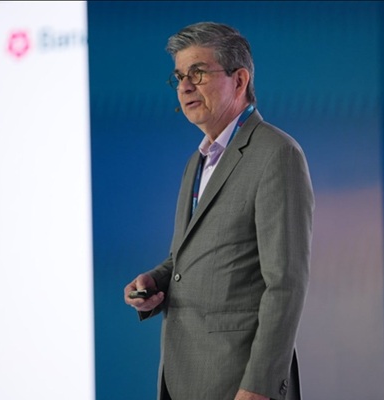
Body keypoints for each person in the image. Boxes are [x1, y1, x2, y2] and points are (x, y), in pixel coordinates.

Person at [124, 22, 314, 400]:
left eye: (197, 73)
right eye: (179, 77)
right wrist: (156, 281)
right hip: (184, 377)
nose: (184, 87)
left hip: (239, 382)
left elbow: (286, 284)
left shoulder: (276, 154)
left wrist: (259, 386)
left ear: (239, 80)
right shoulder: (197, 161)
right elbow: (190, 255)